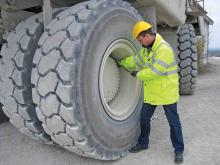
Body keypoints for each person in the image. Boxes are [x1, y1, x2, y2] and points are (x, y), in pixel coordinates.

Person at [119, 21, 184, 164]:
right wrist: (122, 62)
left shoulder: (164, 49)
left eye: (140, 39)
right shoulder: (146, 49)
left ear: (147, 35)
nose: (140, 42)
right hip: (153, 93)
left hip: (167, 92)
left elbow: (156, 72)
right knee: (143, 118)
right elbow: (136, 60)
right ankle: (143, 143)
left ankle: (179, 150)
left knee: (173, 123)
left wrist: (138, 74)